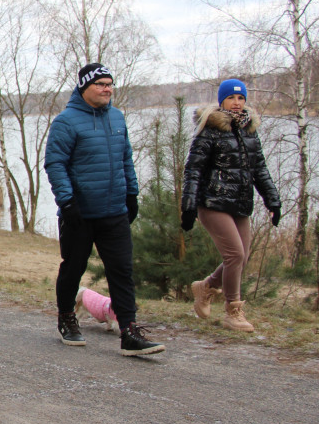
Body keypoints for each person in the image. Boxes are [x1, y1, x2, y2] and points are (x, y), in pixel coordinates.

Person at [44, 63, 165, 356]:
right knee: (73, 269)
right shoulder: (66, 122)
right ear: (85, 87)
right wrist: (67, 201)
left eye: (110, 84)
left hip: (114, 211)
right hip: (80, 213)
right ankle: (67, 318)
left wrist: (132, 193)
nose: (107, 89)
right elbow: (55, 164)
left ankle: (129, 332)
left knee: (122, 271)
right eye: (101, 84)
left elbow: (126, 159)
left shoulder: (117, 118)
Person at [180, 79, 281, 332]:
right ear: (222, 101)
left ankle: (206, 287)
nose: (237, 103)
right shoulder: (209, 130)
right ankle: (233, 311)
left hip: (240, 203)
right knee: (234, 254)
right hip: (212, 202)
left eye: (241, 98)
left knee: (242, 257)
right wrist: (189, 206)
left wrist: (273, 201)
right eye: (231, 98)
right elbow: (193, 170)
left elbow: (260, 170)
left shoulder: (250, 132)